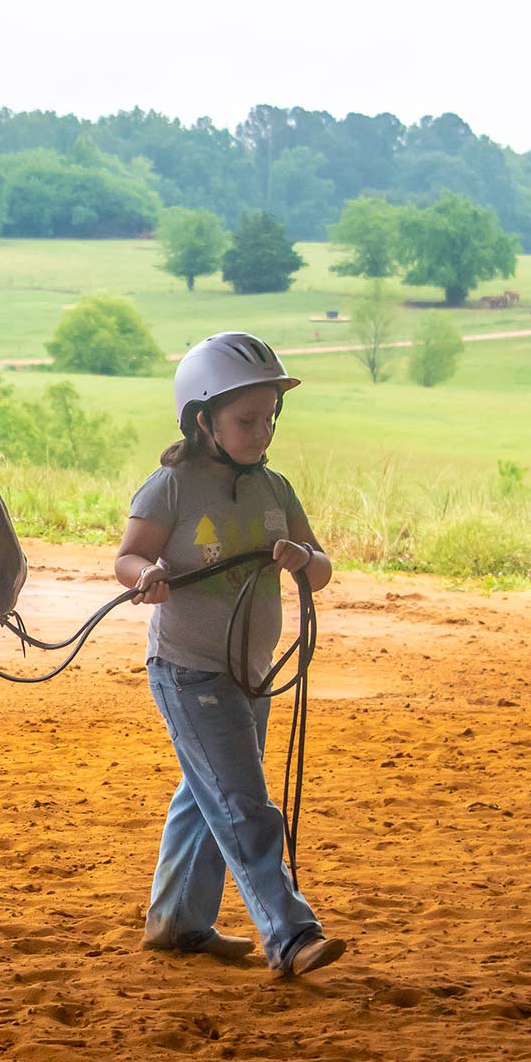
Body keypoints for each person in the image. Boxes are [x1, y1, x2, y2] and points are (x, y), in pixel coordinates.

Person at [114, 332, 346, 980]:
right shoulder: (172, 487)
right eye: (247, 420)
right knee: (243, 802)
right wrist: (145, 576)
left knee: (210, 790)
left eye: (270, 417)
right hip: (189, 669)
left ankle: (179, 923)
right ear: (202, 420)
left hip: (254, 672)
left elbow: (321, 567)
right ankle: (291, 934)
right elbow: (127, 558)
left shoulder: (275, 489)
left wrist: (303, 560)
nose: (262, 430)